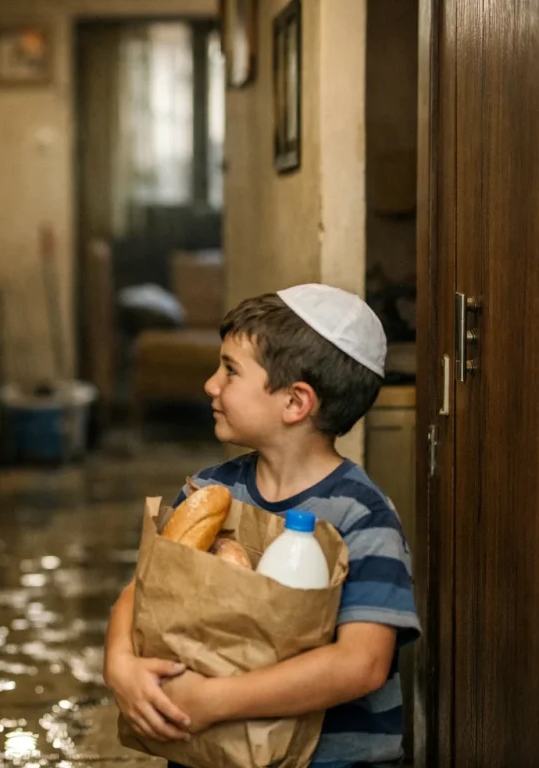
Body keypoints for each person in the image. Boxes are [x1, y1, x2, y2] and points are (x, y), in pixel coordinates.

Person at [104, 284, 420, 767]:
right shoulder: (209, 492)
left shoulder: (361, 515)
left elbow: (363, 663)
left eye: (230, 370)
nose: (211, 384)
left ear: (296, 403)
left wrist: (211, 702)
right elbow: (143, 590)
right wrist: (120, 665)